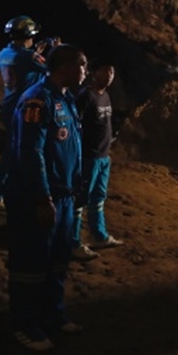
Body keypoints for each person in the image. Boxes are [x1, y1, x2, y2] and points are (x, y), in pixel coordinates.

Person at [5, 44, 87, 352]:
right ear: (64, 67)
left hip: (63, 196)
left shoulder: (65, 99)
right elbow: (30, 152)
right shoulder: (37, 100)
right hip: (37, 197)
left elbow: (69, 148)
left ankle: (52, 315)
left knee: (57, 263)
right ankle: (24, 325)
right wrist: (42, 197)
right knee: (31, 263)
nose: (85, 71)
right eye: (82, 64)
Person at [0, 16, 56, 211]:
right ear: (28, 35)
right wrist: (54, 50)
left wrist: (34, 52)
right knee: (19, 152)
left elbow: (25, 62)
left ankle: (2, 192)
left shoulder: (5, 53)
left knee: (15, 150)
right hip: (23, 109)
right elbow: (52, 69)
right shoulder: (28, 57)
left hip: (9, 106)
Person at [71, 62, 123, 261]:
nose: (110, 75)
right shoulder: (86, 96)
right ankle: (73, 242)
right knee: (80, 199)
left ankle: (99, 236)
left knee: (98, 197)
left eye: (112, 71)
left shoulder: (105, 96)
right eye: (106, 70)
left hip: (103, 157)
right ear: (94, 73)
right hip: (89, 157)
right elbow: (76, 125)